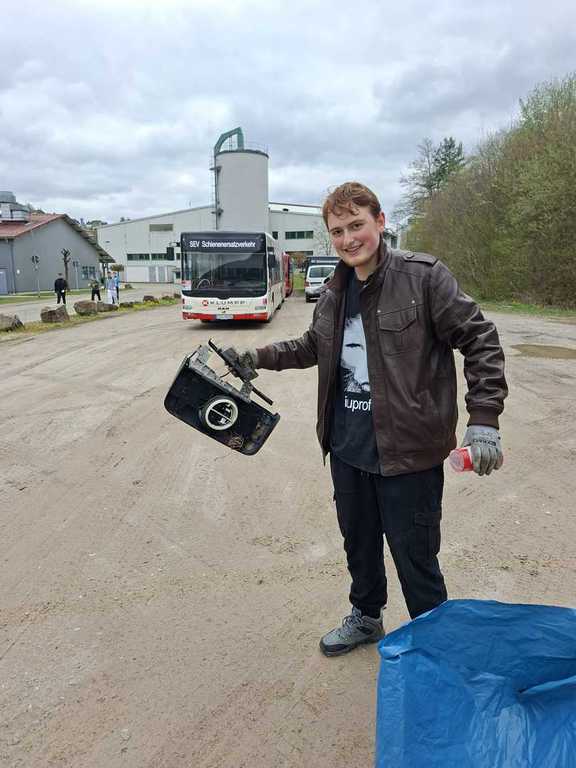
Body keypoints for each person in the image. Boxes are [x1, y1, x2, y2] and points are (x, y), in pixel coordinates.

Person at [230, 181, 508, 657]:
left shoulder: (423, 278)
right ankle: (366, 617)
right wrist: (257, 356)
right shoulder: (334, 291)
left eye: (356, 225)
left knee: (415, 557)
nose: (347, 239)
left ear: (380, 222)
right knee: (358, 545)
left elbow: (480, 339)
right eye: (337, 231)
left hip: (409, 455)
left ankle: (435, 647)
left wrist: (484, 418)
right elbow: (312, 346)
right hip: (348, 448)